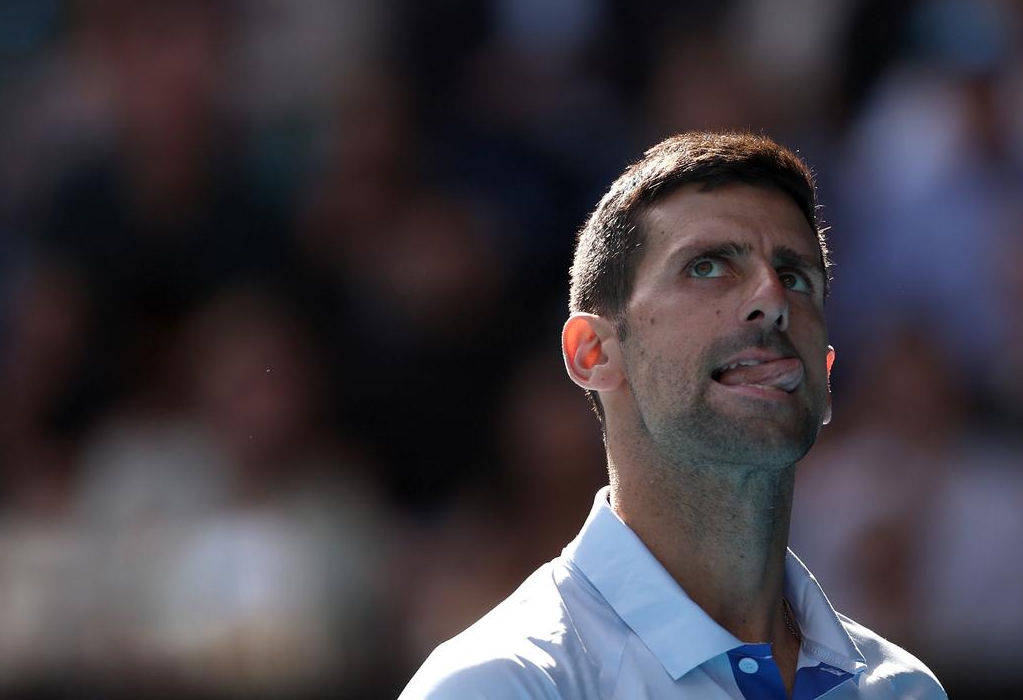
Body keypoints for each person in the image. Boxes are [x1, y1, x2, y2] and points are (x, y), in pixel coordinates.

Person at [400, 132, 947, 699]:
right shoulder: (499, 685)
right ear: (594, 354)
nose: (772, 297)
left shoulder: (906, 690)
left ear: (825, 374)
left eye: (795, 277)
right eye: (708, 267)